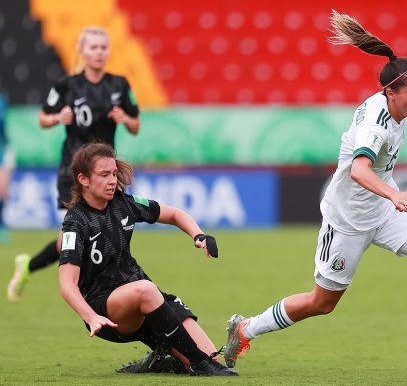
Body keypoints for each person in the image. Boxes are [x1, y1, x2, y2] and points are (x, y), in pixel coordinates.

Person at [223, 10, 407, 371]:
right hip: (348, 220)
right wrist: (395, 196)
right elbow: (358, 169)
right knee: (322, 303)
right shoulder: (375, 127)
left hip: (381, 212)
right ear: (391, 94)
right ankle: (246, 328)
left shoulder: (392, 94)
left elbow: (405, 77)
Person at [58, 142, 237, 376]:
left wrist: (198, 235)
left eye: (114, 173)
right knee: (147, 291)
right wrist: (90, 317)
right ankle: (201, 365)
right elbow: (66, 285)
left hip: (147, 301)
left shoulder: (124, 203)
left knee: (209, 351)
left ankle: (161, 359)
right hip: (107, 310)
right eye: (104, 175)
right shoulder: (75, 221)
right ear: (83, 179)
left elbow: (174, 214)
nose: (112, 180)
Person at [7, 26, 140, 302]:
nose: (99, 53)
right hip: (74, 172)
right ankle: (89, 288)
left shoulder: (119, 85)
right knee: (74, 233)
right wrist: (58, 118)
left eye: (103, 47)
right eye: (93, 47)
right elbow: (43, 117)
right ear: (81, 51)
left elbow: (136, 125)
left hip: (105, 174)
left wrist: (125, 119)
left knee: (97, 231)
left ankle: (31, 267)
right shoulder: (66, 86)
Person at [0, 93, 14, 244]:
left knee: (3, 190)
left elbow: (4, 131)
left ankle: (1, 224)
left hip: (0, 154)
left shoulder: (2, 102)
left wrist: (9, 149)